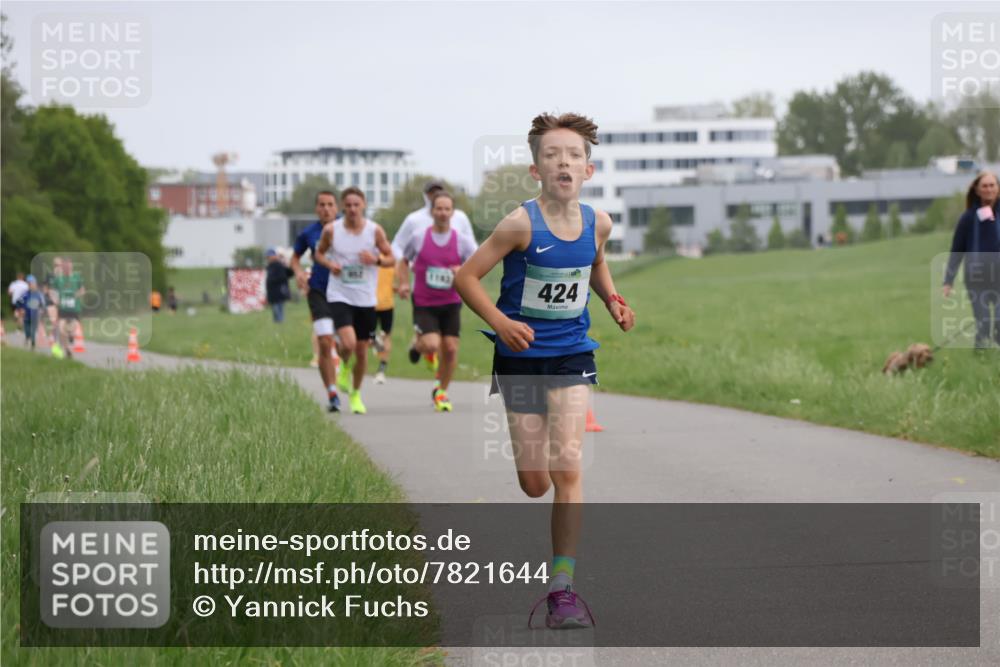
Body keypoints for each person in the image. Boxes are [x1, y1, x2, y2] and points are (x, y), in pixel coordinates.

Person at [455, 112, 635, 629]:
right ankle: (558, 574)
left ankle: (563, 590)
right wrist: (499, 321)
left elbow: (595, 262)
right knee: (535, 482)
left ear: (588, 170)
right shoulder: (519, 223)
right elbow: (467, 278)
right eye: (553, 155)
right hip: (519, 359)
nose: (563, 162)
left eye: (573, 155)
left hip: (573, 354)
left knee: (569, 467)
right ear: (536, 170)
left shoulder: (599, 222)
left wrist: (614, 301)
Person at [315, 187, 395, 414]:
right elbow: (319, 254)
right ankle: (343, 368)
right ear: (342, 207)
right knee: (348, 342)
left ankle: (356, 393)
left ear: (363, 206)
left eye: (356, 205)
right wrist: (330, 264)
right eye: (348, 205)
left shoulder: (374, 231)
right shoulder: (331, 230)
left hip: (366, 298)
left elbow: (391, 258)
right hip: (339, 294)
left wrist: (377, 259)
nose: (352, 209)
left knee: (361, 350)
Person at [397, 191, 477, 411]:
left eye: (447, 209)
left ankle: (441, 391)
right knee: (432, 344)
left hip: (451, 301)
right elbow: (403, 262)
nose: (443, 213)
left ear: (453, 212)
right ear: (431, 212)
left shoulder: (461, 241)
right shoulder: (419, 237)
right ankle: (418, 344)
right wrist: (403, 284)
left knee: (450, 349)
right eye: (438, 209)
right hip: (424, 301)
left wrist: (461, 270)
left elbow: (478, 266)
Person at [292, 191, 342, 412]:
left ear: (337, 208)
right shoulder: (308, 233)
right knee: (324, 342)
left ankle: (344, 372)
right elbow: (294, 258)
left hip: (346, 293)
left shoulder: (348, 228)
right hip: (319, 291)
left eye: (330, 204)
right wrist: (299, 273)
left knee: (349, 343)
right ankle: (331, 391)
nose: (326, 209)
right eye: (322, 205)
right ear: (316, 209)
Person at [943, 170, 1000, 349]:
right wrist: (948, 281)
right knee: (983, 323)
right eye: (985, 186)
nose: (989, 189)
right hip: (977, 279)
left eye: (992, 185)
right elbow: (957, 250)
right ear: (977, 190)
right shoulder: (967, 219)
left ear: (998, 189)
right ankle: (981, 356)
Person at [52, 256, 85, 358]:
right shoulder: (58, 279)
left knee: (73, 328)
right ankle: (67, 350)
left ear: (72, 266)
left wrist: (77, 294)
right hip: (63, 307)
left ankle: (71, 336)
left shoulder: (77, 277)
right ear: (63, 267)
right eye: (65, 266)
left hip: (74, 308)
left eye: (69, 266)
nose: (67, 268)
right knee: (62, 329)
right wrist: (55, 299)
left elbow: (83, 290)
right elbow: (52, 291)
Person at [371, 261, 396, 384]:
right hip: (371, 303)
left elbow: (396, 283)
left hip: (386, 305)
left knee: (386, 336)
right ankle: (376, 340)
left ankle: (381, 370)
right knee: (369, 337)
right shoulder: (372, 257)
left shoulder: (390, 260)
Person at [16, 276, 46, 349]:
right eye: (29, 284)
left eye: (32, 284)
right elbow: (18, 302)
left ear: (35, 284)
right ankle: (27, 337)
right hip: (26, 315)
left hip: (35, 315)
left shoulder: (38, 294)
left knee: (33, 330)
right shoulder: (25, 294)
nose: (30, 285)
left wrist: (41, 310)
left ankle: (33, 343)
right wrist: (21, 309)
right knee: (27, 330)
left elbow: (42, 304)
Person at [265, 248, 293, 323]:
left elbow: (286, 276)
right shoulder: (270, 266)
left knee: (278, 309)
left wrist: (272, 280)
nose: (269, 258)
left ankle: (280, 322)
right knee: (275, 309)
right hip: (273, 292)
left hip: (279, 291)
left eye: (270, 256)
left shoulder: (279, 265)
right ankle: (278, 323)